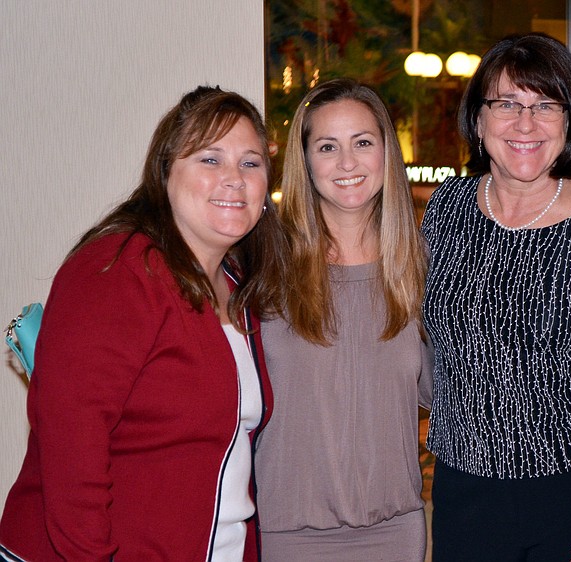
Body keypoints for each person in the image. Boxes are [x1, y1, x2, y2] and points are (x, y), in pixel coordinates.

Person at [0, 86, 285, 561]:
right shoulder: (117, 270)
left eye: (250, 163)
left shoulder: (239, 285)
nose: (234, 179)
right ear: (165, 171)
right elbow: (71, 449)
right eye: (210, 159)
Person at [421, 33, 571, 562]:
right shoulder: (445, 210)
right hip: (465, 494)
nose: (524, 124)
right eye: (506, 104)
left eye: (544, 106)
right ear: (478, 121)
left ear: (569, 122)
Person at [254, 78, 432, 561]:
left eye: (363, 143)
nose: (347, 163)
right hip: (284, 533)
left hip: (395, 532)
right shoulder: (264, 266)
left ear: (386, 154)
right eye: (328, 147)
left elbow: (458, 394)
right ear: (305, 162)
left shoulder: (421, 267)